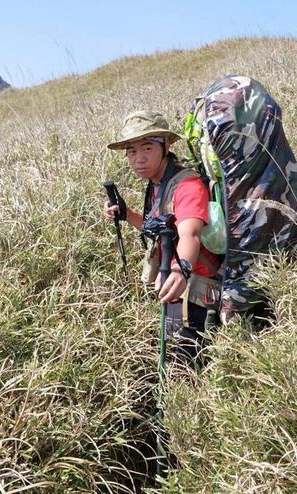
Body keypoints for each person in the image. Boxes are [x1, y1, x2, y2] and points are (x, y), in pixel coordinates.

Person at [104, 110, 222, 366]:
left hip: (195, 293)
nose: (138, 159)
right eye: (132, 152)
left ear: (165, 146)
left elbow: (190, 233)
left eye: (147, 148)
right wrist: (128, 215)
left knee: (184, 367)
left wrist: (181, 269)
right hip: (175, 288)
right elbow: (159, 230)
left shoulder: (187, 185)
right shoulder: (158, 183)